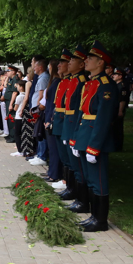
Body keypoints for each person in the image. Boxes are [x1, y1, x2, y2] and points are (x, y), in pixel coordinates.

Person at [73, 41, 119, 231]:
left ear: (101, 62)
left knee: (99, 181)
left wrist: (94, 146)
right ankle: (93, 216)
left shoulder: (106, 86)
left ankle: (100, 221)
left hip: (95, 138)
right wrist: (76, 139)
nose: (86, 60)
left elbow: (103, 118)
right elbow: (82, 113)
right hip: (85, 134)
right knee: (91, 180)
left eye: (90, 58)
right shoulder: (91, 83)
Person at [63, 45, 90, 212]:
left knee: (79, 167)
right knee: (70, 162)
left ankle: (81, 200)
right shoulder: (73, 80)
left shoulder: (81, 81)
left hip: (75, 124)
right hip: (68, 122)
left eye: (73, 60)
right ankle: (74, 193)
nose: (68, 63)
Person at [49, 49, 73, 190]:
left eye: (63, 62)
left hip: (67, 121)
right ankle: (66, 182)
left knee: (69, 158)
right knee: (64, 156)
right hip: (59, 119)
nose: (59, 65)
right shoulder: (64, 81)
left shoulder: (73, 82)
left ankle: (68, 183)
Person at [42, 57, 64, 183]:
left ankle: (54, 173)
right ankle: (52, 171)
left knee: (54, 148)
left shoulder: (57, 82)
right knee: (52, 147)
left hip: (51, 117)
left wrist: (50, 119)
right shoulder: (54, 81)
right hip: (49, 115)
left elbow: (54, 104)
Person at [110, 68, 130, 152]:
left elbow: (122, 100)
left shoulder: (122, 86)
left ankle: (118, 146)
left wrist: (120, 111)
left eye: (116, 74)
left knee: (118, 128)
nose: (113, 76)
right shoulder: (116, 85)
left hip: (118, 109)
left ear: (120, 76)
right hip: (114, 109)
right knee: (114, 128)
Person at [10, 81, 27, 156]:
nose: (16, 87)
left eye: (18, 86)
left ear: (21, 87)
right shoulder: (26, 95)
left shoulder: (19, 96)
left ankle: (20, 150)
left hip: (19, 116)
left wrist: (14, 107)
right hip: (24, 116)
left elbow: (15, 108)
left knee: (17, 134)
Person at [3, 66, 18, 141]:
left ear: (13, 72)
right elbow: (6, 86)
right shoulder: (11, 79)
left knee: (12, 119)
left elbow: (15, 92)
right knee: (9, 119)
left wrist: (11, 104)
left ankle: (13, 137)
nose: (7, 72)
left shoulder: (15, 79)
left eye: (9, 71)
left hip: (11, 101)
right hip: (8, 101)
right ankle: (10, 135)